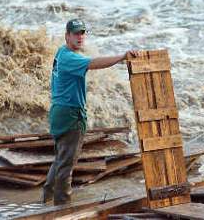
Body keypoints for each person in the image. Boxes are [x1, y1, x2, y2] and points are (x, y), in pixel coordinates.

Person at [42, 18, 140, 205]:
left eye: (82, 33)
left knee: (60, 159)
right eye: (76, 34)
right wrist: (122, 57)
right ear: (67, 36)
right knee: (66, 165)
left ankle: (46, 200)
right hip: (70, 115)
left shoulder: (62, 52)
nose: (80, 37)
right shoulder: (71, 58)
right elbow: (95, 63)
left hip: (59, 113)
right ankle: (62, 205)